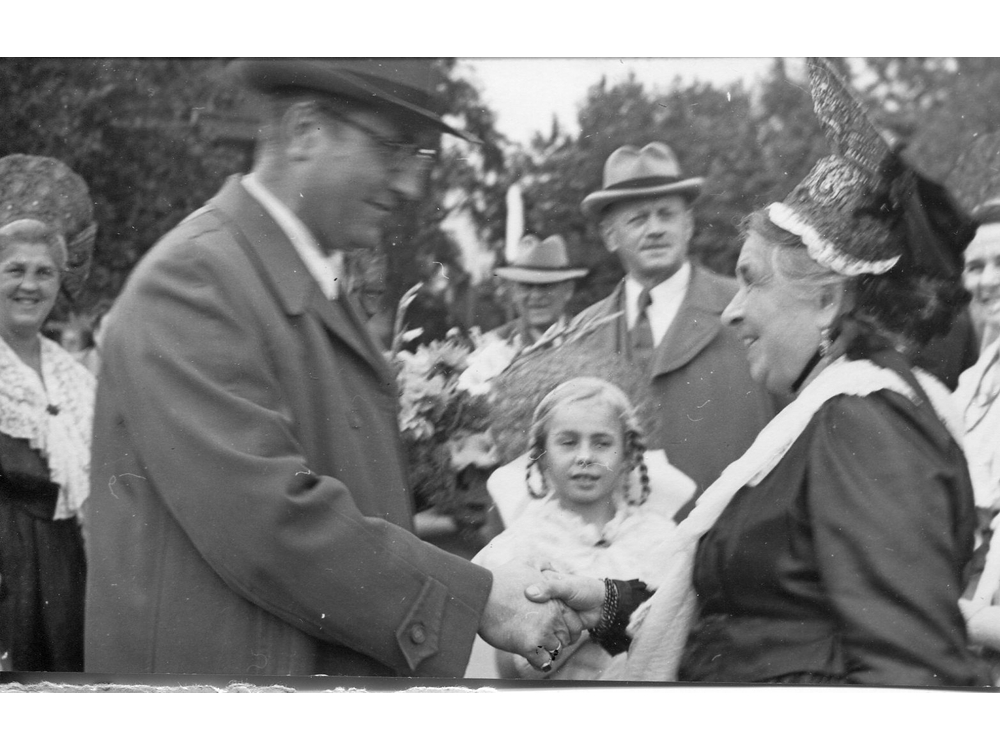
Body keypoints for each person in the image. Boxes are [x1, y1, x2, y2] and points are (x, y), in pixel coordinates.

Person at [83, 59, 583, 677]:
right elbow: (269, 523)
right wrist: (474, 599)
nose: (409, 186)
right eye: (392, 150)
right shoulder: (195, 281)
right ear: (304, 132)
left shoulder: (291, 275)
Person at [530, 58, 988, 687]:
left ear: (827, 299)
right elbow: (765, 610)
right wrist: (610, 604)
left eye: (751, 280)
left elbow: (910, 679)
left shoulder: (866, 423)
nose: (735, 312)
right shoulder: (830, 412)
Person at [573, 141, 774, 508]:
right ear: (610, 235)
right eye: (637, 219)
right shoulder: (581, 334)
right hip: (615, 556)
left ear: (689, 224)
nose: (654, 229)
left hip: (730, 547)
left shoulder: (749, 308)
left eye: (666, 214)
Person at [469, 378, 691, 680]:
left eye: (602, 442)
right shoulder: (520, 546)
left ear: (627, 455)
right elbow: (511, 667)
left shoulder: (662, 536)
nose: (585, 456)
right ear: (542, 455)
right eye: (568, 442)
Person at [0, 154, 97, 672]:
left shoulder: (77, 380)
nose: (29, 286)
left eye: (44, 273)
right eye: (15, 269)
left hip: (67, 580)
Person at [491, 234, 588, 350]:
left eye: (546, 285)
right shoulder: (494, 345)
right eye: (526, 285)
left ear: (568, 290)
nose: (536, 295)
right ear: (513, 291)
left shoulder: (589, 337)